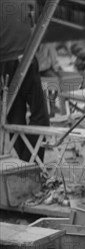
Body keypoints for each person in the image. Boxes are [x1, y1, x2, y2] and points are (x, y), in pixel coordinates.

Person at [0, 0, 49, 162]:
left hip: (7, 63)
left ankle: (26, 163)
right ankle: (33, 162)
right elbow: (35, 30)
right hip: (25, 58)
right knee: (39, 115)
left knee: (14, 118)